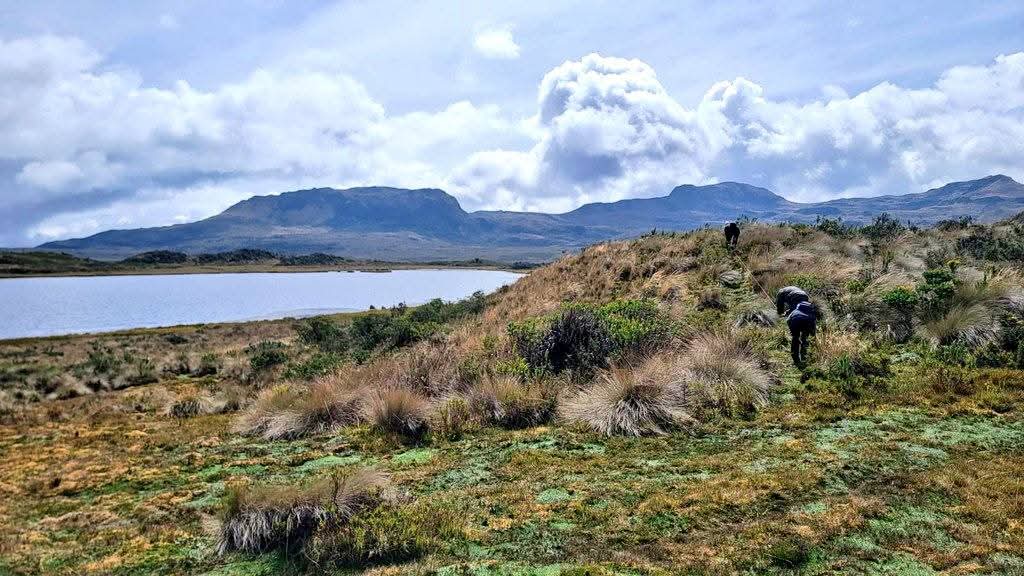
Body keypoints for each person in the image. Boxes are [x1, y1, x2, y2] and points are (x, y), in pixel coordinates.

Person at [787, 301, 817, 366]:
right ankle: (804, 357)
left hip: (795, 321)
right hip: (807, 322)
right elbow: (813, 325)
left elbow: (788, 320)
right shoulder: (812, 313)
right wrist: (814, 336)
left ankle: (796, 360)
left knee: (795, 340)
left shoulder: (795, 311)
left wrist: (792, 331)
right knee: (805, 339)